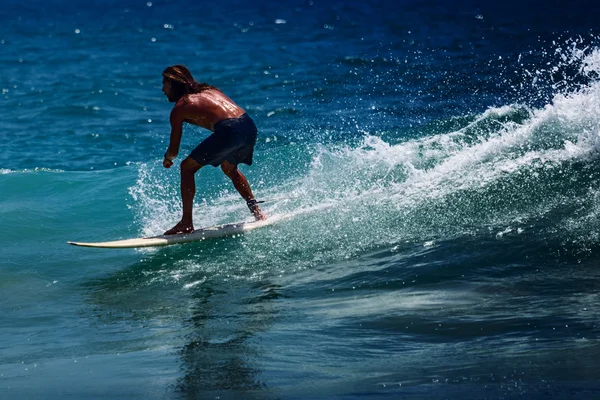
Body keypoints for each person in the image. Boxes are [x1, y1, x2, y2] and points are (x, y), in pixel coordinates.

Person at [160, 65, 266, 235]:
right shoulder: (209, 90)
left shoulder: (180, 107)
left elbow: (174, 150)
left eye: (164, 84)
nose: (162, 89)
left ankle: (186, 222)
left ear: (173, 84)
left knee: (186, 168)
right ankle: (257, 212)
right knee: (229, 168)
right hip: (248, 126)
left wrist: (167, 159)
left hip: (230, 129)